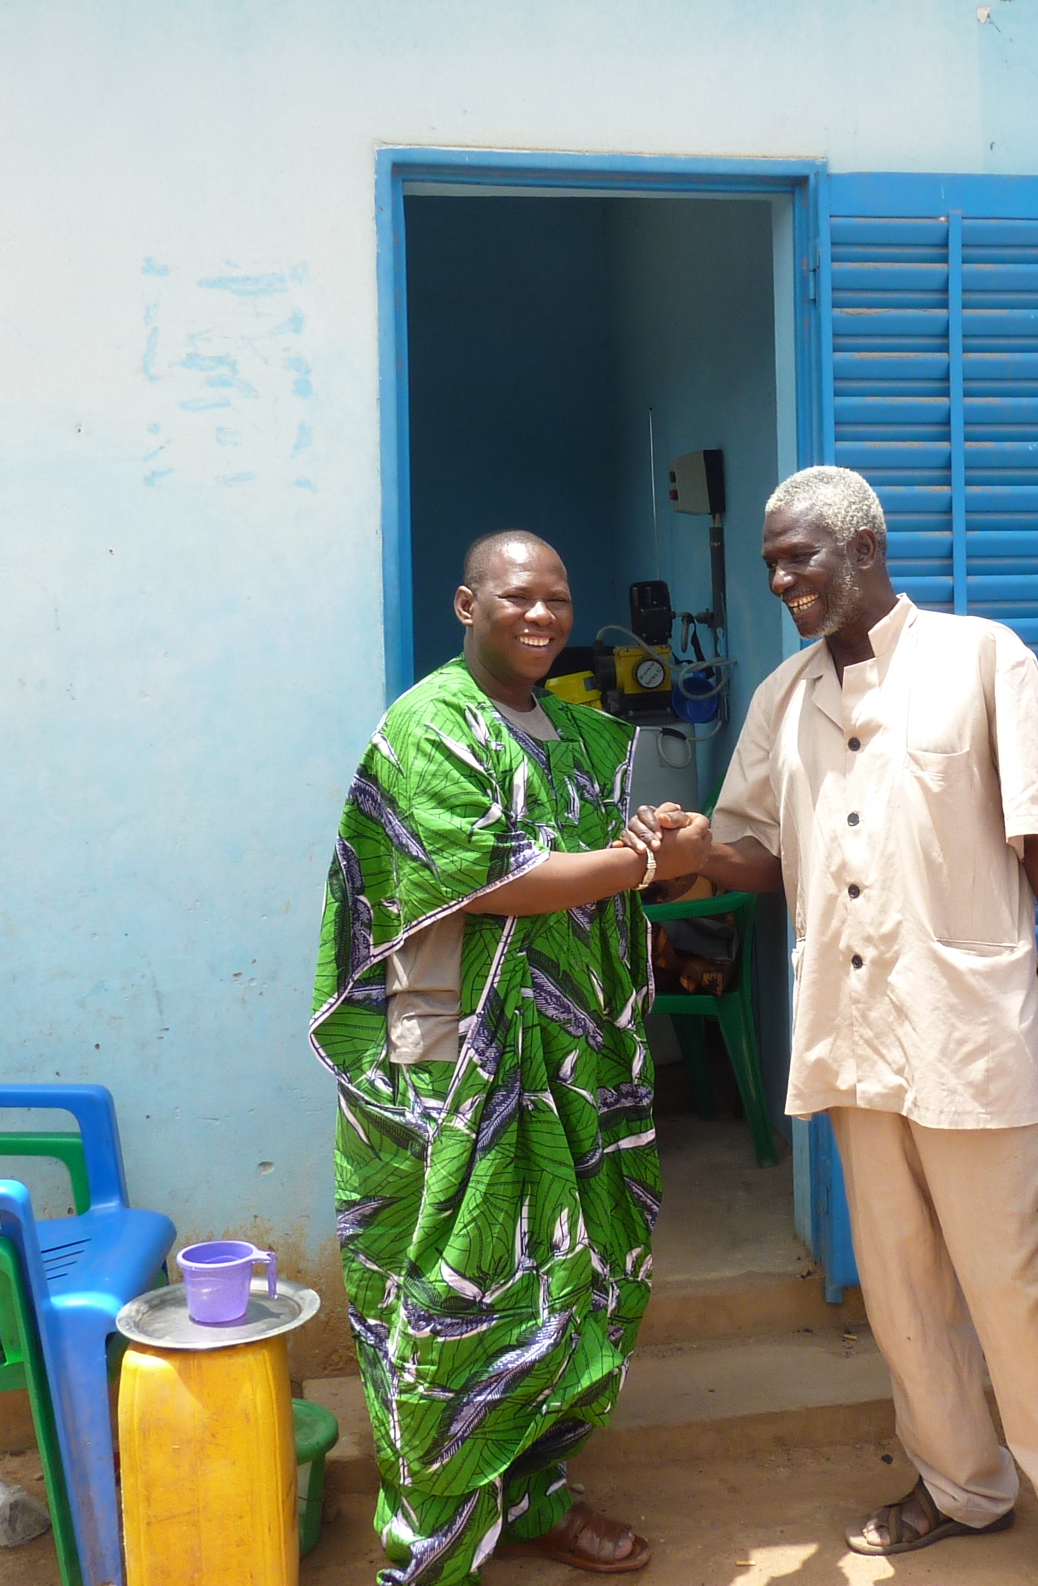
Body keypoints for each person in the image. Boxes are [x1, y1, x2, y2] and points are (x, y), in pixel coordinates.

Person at [634, 465, 1038, 1586]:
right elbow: (758, 854)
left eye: (798, 558)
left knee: (1019, 1290)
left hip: (971, 1033)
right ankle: (962, 1485)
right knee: (905, 1293)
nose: (781, 580)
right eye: (771, 562)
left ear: (863, 549)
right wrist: (690, 850)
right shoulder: (784, 698)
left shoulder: (983, 660)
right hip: (853, 1033)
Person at [312, 530, 688, 1582]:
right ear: (466, 604)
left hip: (570, 1060)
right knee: (453, 1299)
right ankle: (428, 1548)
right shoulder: (429, 726)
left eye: (557, 598)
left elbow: (592, 853)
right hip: (450, 1059)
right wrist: (643, 863)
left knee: (571, 1282)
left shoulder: (577, 733)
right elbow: (499, 880)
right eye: (517, 596)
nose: (541, 616)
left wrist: (649, 835)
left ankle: (535, 1499)